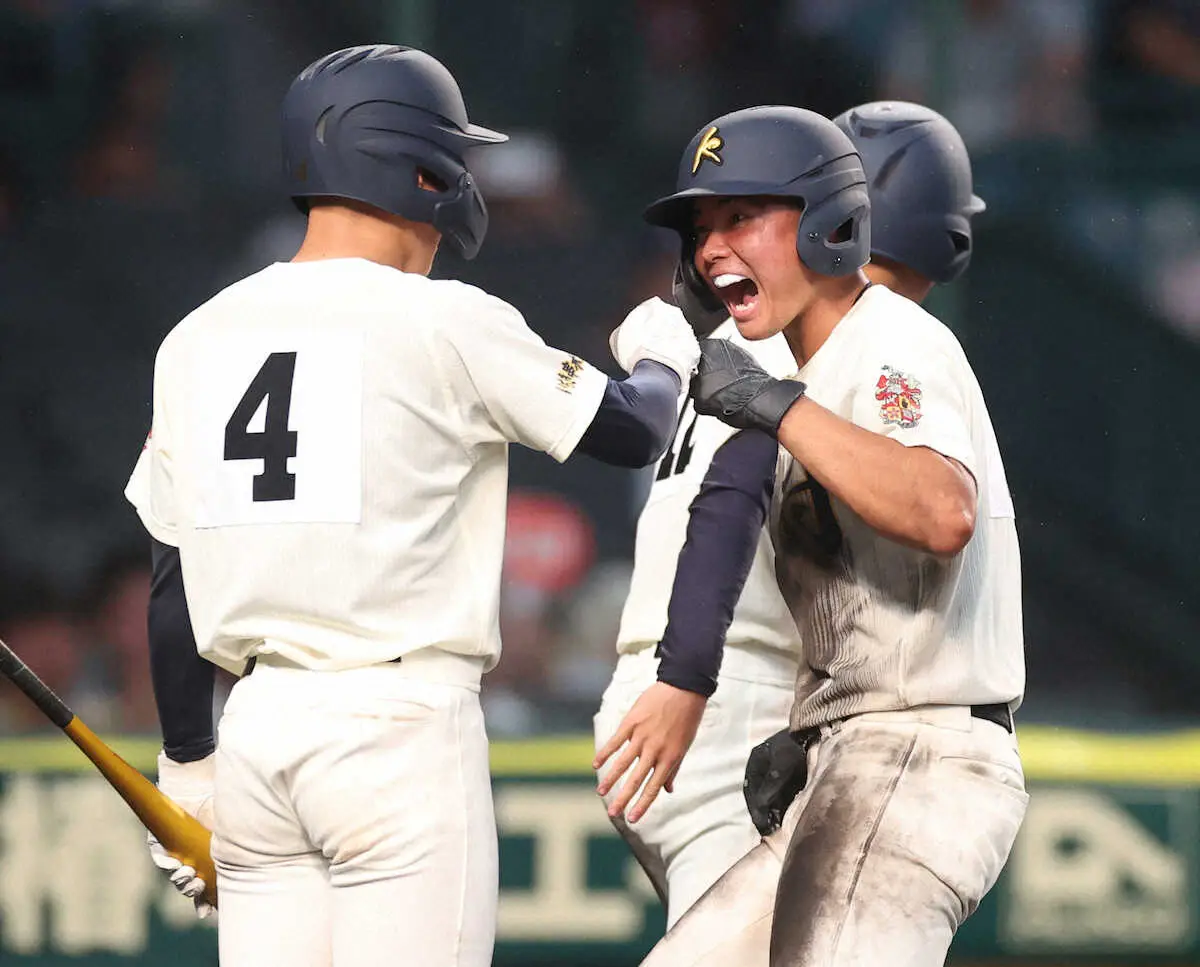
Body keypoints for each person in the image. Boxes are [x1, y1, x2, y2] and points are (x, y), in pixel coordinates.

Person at [123, 45, 699, 967]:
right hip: (398, 728)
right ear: (420, 171)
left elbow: (170, 579)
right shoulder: (443, 319)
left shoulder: (196, 337)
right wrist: (666, 347)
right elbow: (635, 429)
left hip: (259, 733)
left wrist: (190, 762)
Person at [623, 104, 1027, 966]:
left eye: (741, 217)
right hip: (853, 753)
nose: (711, 247)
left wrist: (778, 407)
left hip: (919, 755)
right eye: (703, 227)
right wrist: (805, 728)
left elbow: (940, 510)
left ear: (829, 223)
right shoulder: (814, 363)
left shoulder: (890, 337)